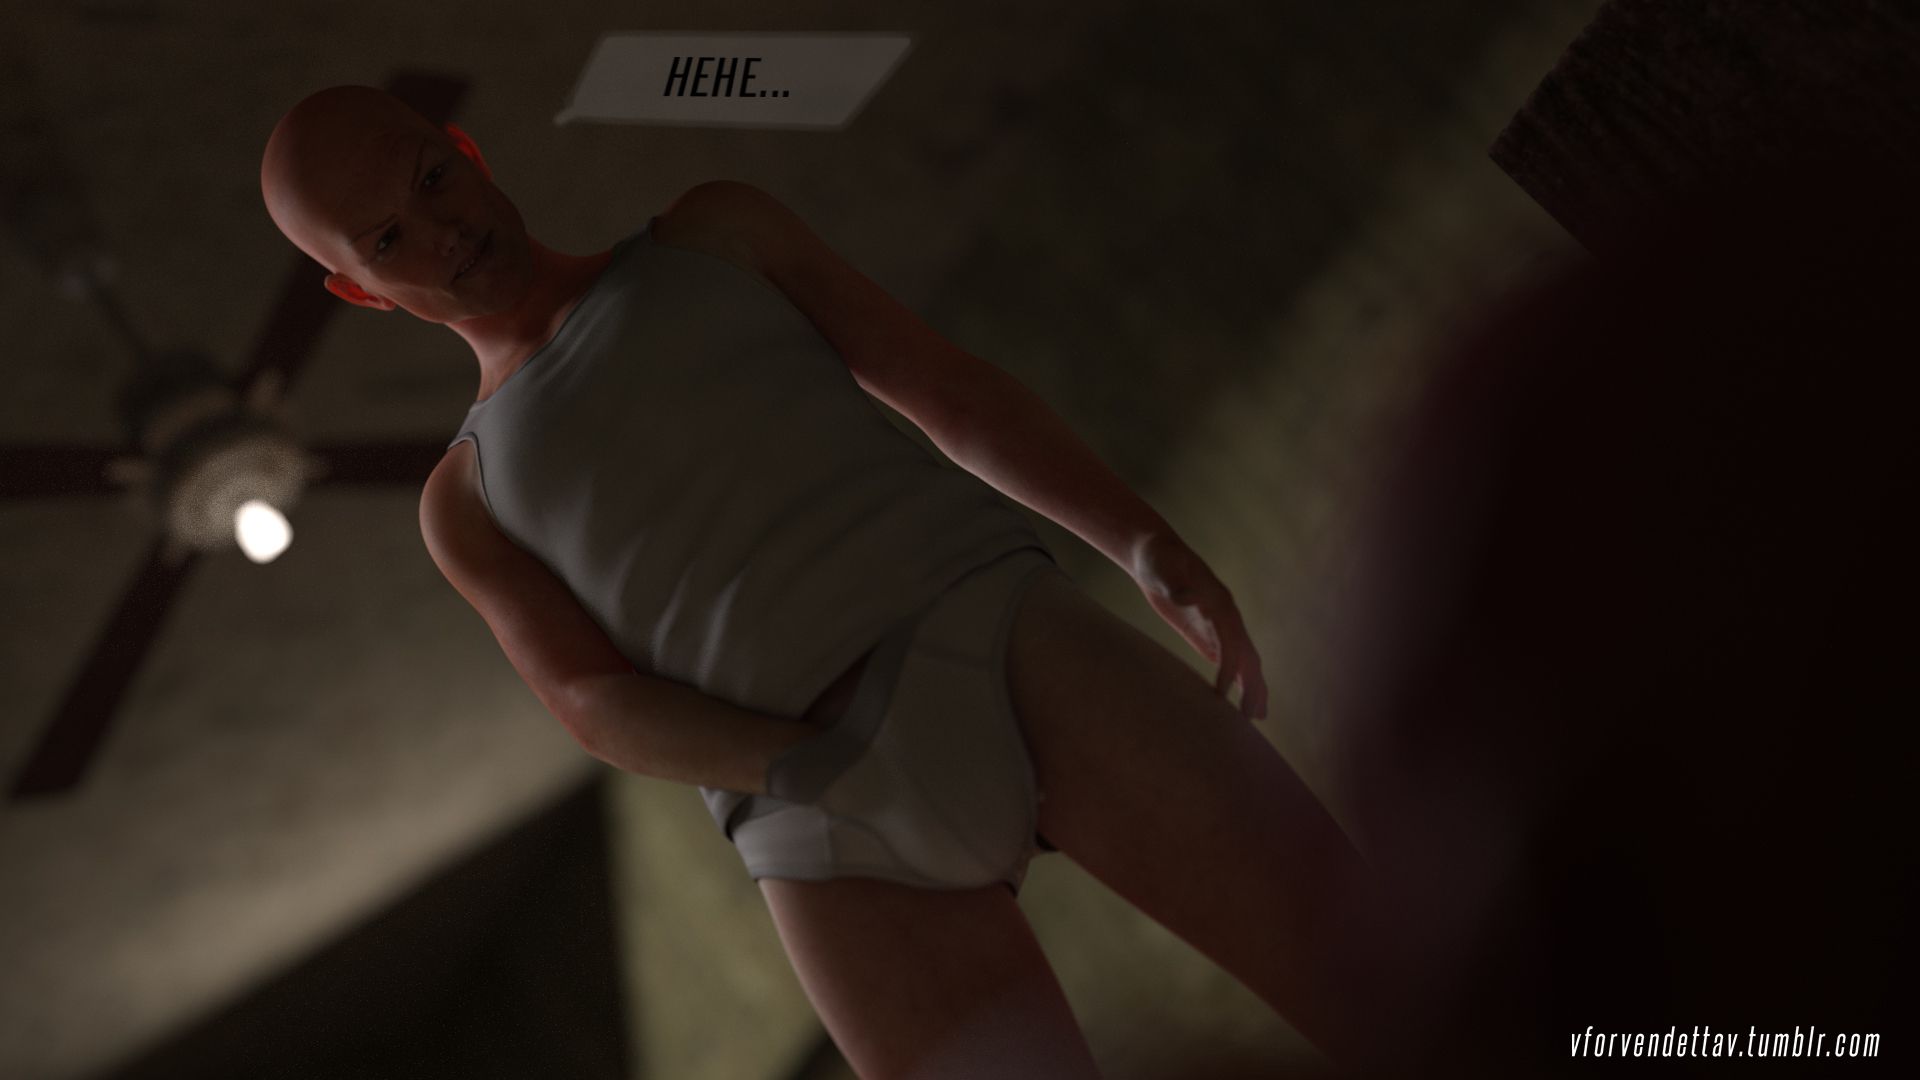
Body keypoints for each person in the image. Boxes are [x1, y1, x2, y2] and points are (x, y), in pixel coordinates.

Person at [259, 85, 1375, 1078]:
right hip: (822, 822)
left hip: (995, 636)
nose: (443, 231)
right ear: (359, 290)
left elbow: (944, 391)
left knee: (1372, 972)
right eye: (390, 238)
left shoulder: (716, 233)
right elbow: (589, 700)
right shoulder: (463, 502)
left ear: (467, 150)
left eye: (433, 179)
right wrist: (804, 767)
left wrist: (1140, 540)